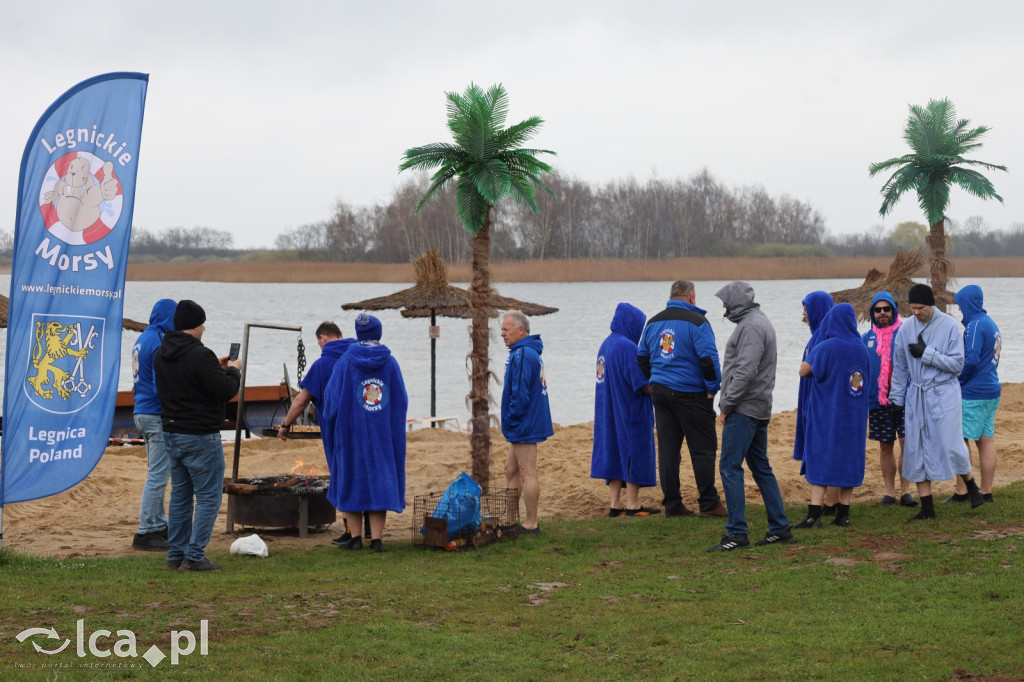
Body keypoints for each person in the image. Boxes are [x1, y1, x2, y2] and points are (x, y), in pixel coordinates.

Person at [155, 300, 242, 571]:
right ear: (194, 325)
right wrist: (233, 371)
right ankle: (194, 556)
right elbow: (225, 390)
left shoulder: (161, 353)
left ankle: (175, 554)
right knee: (208, 497)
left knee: (181, 496)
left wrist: (216, 366)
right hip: (201, 435)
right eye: (203, 323)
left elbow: (189, 378)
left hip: (171, 432)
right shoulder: (200, 354)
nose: (205, 328)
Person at [708, 282, 791, 552]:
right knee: (761, 467)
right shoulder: (755, 322)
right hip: (757, 406)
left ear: (737, 302)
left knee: (730, 467)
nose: (723, 306)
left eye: (726, 301)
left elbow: (745, 371)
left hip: (745, 408)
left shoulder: (751, 326)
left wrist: (726, 405)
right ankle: (779, 528)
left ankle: (736, 534)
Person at [890, 283, 985, 521]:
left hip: (944, 393)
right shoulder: (905, 330)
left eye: (920, 307)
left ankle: (972, 488)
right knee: (916, 448)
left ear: (931, 304)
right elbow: (900, 369)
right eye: (912, 308)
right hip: (917, 395)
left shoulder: (951, 327)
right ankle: (927, 507)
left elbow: (957, 365)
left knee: (952, 443)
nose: (916, 312)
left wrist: (927, 354)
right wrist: (896, 401)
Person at [637, 280, 725, 518]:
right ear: (692, 297)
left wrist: (654, 379)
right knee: (703, 449)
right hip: (690, 393)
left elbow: (642, 357)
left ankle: (673, 505)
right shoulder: (698, 322)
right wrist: (712, 389)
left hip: (661, 391)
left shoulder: (653, 322)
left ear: (672, 296)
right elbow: (708, 360)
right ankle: (708, 503)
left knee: (668, 449)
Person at [321, 314, 408, 553]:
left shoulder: (345, 362)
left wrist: (329, 424)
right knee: (379, 481)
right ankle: (377, 540)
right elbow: (401, 401)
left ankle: (356, 537)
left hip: (350, 433)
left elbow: (331, 400)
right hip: (381, 434)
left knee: (350, 479)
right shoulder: (390, 363)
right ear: (378, 333)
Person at [791, 303, 871, 529]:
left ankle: (814, 514)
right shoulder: (861, 347)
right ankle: (843, 513)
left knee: (820, 457)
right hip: (854, 416)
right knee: (849, 459)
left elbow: (804, 371)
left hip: (827, 413)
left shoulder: (827, 346)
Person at [277, 322, 357, 543]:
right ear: (340, 336)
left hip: (337, 431)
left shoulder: (322, 364)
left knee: (343, 478)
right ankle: (369, 526)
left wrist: (285, 425)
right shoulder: (359, 356)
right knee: (361, 473)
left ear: (323, 338)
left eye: (319, 342)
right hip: (364, 429)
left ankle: (352, 530)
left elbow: (301, 400)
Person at [590, 303, 658, 517]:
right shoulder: (628, 347)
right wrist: (660, 390)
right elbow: (642, 382)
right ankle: (632, 504)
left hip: (608, 410)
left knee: (614, 452)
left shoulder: (605, 345)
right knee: (632, 452)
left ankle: (614, 504)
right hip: (629, 410)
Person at [500, 310, 554, 534]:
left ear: (521, 330)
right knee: (510, 469)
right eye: (501, 329)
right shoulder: (526, 352)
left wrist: (511, 419)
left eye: (506, 329)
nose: (502, 334)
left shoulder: (523, 353)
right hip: (523, 422)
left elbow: (519, 393)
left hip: (524, 423)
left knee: (527, 471)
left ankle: (531, 523)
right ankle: (511, 519)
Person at [130, 298, 177, 552]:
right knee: (159, 474)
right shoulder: (159, 342)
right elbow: (162, 383)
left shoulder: (142, 338)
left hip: (141, 409)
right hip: (155, 413)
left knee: (156, 471)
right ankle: (146, 530)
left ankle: (158, 524)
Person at [948, 284, 1001, 503]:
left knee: (961, 440)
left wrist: (957, 382)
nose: (959, 309)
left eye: (960, 304)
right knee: (986, 440)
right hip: (992, 390)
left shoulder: (974, 325)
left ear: (968, 303)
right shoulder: (991, 323)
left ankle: (963, 492)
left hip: (973, 393)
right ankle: (986, 491)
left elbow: (971, 359)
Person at [862, 291, 916, 507]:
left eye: (886, 309)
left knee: (907, 443)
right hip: (877, 401)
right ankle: (889, 492)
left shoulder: (905, 334)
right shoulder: (865, 339)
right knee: (885, 445)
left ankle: (906, 491)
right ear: (872, 313)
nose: (882, 313)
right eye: (878, 310)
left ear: (893, 311)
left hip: (905, 400)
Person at [792, 291, 837, 514]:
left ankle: (831, 502)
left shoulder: (826, 336)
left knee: (826, 449)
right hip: (811, 397)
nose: (804, 313)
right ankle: (828, 500)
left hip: (822, 400)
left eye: (806, 308)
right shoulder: (816, 334)